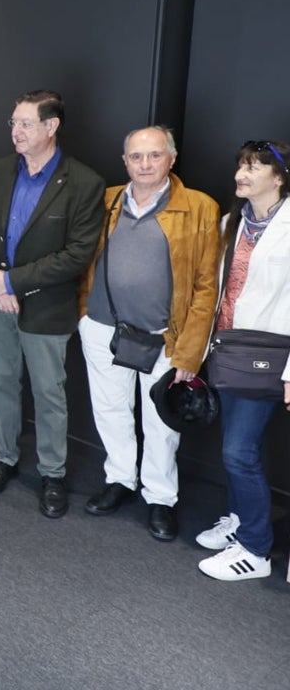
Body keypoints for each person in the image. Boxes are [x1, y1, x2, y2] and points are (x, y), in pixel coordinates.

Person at [77, 127, 220, 541]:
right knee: (110, 409)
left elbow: (206, 287)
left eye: (154, 155)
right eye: (136, 157)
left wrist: (190, 354)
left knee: (161, 421)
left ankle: (160, 497)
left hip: (164, 338)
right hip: (103, 328)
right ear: (125, 161)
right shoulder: (106, 201)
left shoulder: (199, 208)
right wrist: (84, 314)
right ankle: (120, 479)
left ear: (171, 159)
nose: (144, 164)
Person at [0, 90, 105, 518]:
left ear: (52, 126)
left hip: (46, 308)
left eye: (25, 123)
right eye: (13, 123)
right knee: (1, 384)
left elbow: (76, 255)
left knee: (49, 394)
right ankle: (5, 457)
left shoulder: (83, 182)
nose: (16, 132)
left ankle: (52, 474)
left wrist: (11, 281)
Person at [195, 140, 290, 581]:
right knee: (233, 445)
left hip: (269, 357)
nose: (242, 174)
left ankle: (255, 549)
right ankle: (239, 521)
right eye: (240, 165)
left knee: (239, 451)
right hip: (228, 349)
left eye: (254, 167)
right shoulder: (232, 221)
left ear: (279, 177)